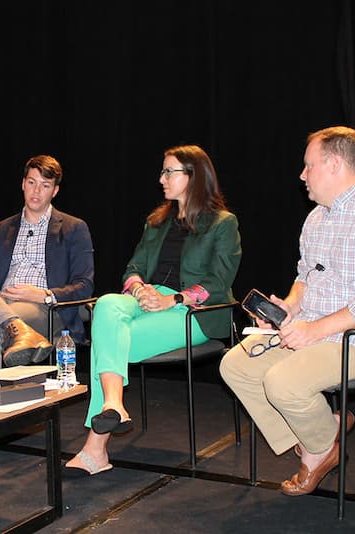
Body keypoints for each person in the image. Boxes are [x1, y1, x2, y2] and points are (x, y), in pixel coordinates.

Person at [220, 126, 355, 496]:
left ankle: (319, 451)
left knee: (283, 382)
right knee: (236, 365)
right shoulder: (317, 218)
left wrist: (314, 330)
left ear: (334, 165)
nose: (302, 175)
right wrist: (290, 306)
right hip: (319, 331)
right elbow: (305, 277)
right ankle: (321, 434)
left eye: (308, 165)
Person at [64, 144, 241, 476]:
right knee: (107, 303)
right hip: (148, 300)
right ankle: (113, 404)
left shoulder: (222, 223)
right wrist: (140, 289)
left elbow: (218, 283)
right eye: (162, 171)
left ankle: (96, 447)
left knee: (107, 341)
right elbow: (133, 268)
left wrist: (172, 300)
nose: (161, 179)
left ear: (194, 176)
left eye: (169, 171)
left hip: (192, 312)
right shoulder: (157, 222)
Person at [0, 154, 94, 472]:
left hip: (43, 308)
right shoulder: (4, 228)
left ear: (55, 191)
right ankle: (13, 326)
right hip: (2, 301)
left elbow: (84, 285)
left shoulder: (73, 228)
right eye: (31, 183)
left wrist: (43, 294)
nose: (36, 191)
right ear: (22, 184)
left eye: (45, 185)